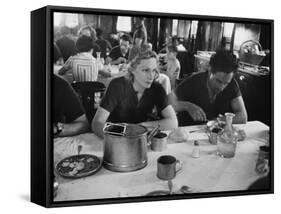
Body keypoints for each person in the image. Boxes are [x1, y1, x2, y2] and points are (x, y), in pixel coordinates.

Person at [92, 48, 178, 138]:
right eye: (145, 70)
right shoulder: (118, 86)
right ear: (132, 70)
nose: (151, 76)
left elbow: (173, 122)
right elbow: (97, 123)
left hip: (141, 140)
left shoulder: (156, 89)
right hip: (115, 140)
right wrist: (120, 138)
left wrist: (143, 126)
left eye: (153, 70)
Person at [171, 49, 247, 126]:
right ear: (210, 70)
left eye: (226, 83)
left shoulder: (232, 84)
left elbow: (243, 117)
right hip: (188, 132)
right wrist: (187, 106)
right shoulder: (194, 81)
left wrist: (217, 121)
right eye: (219, 81)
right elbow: (168, 103)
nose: (222, 88)